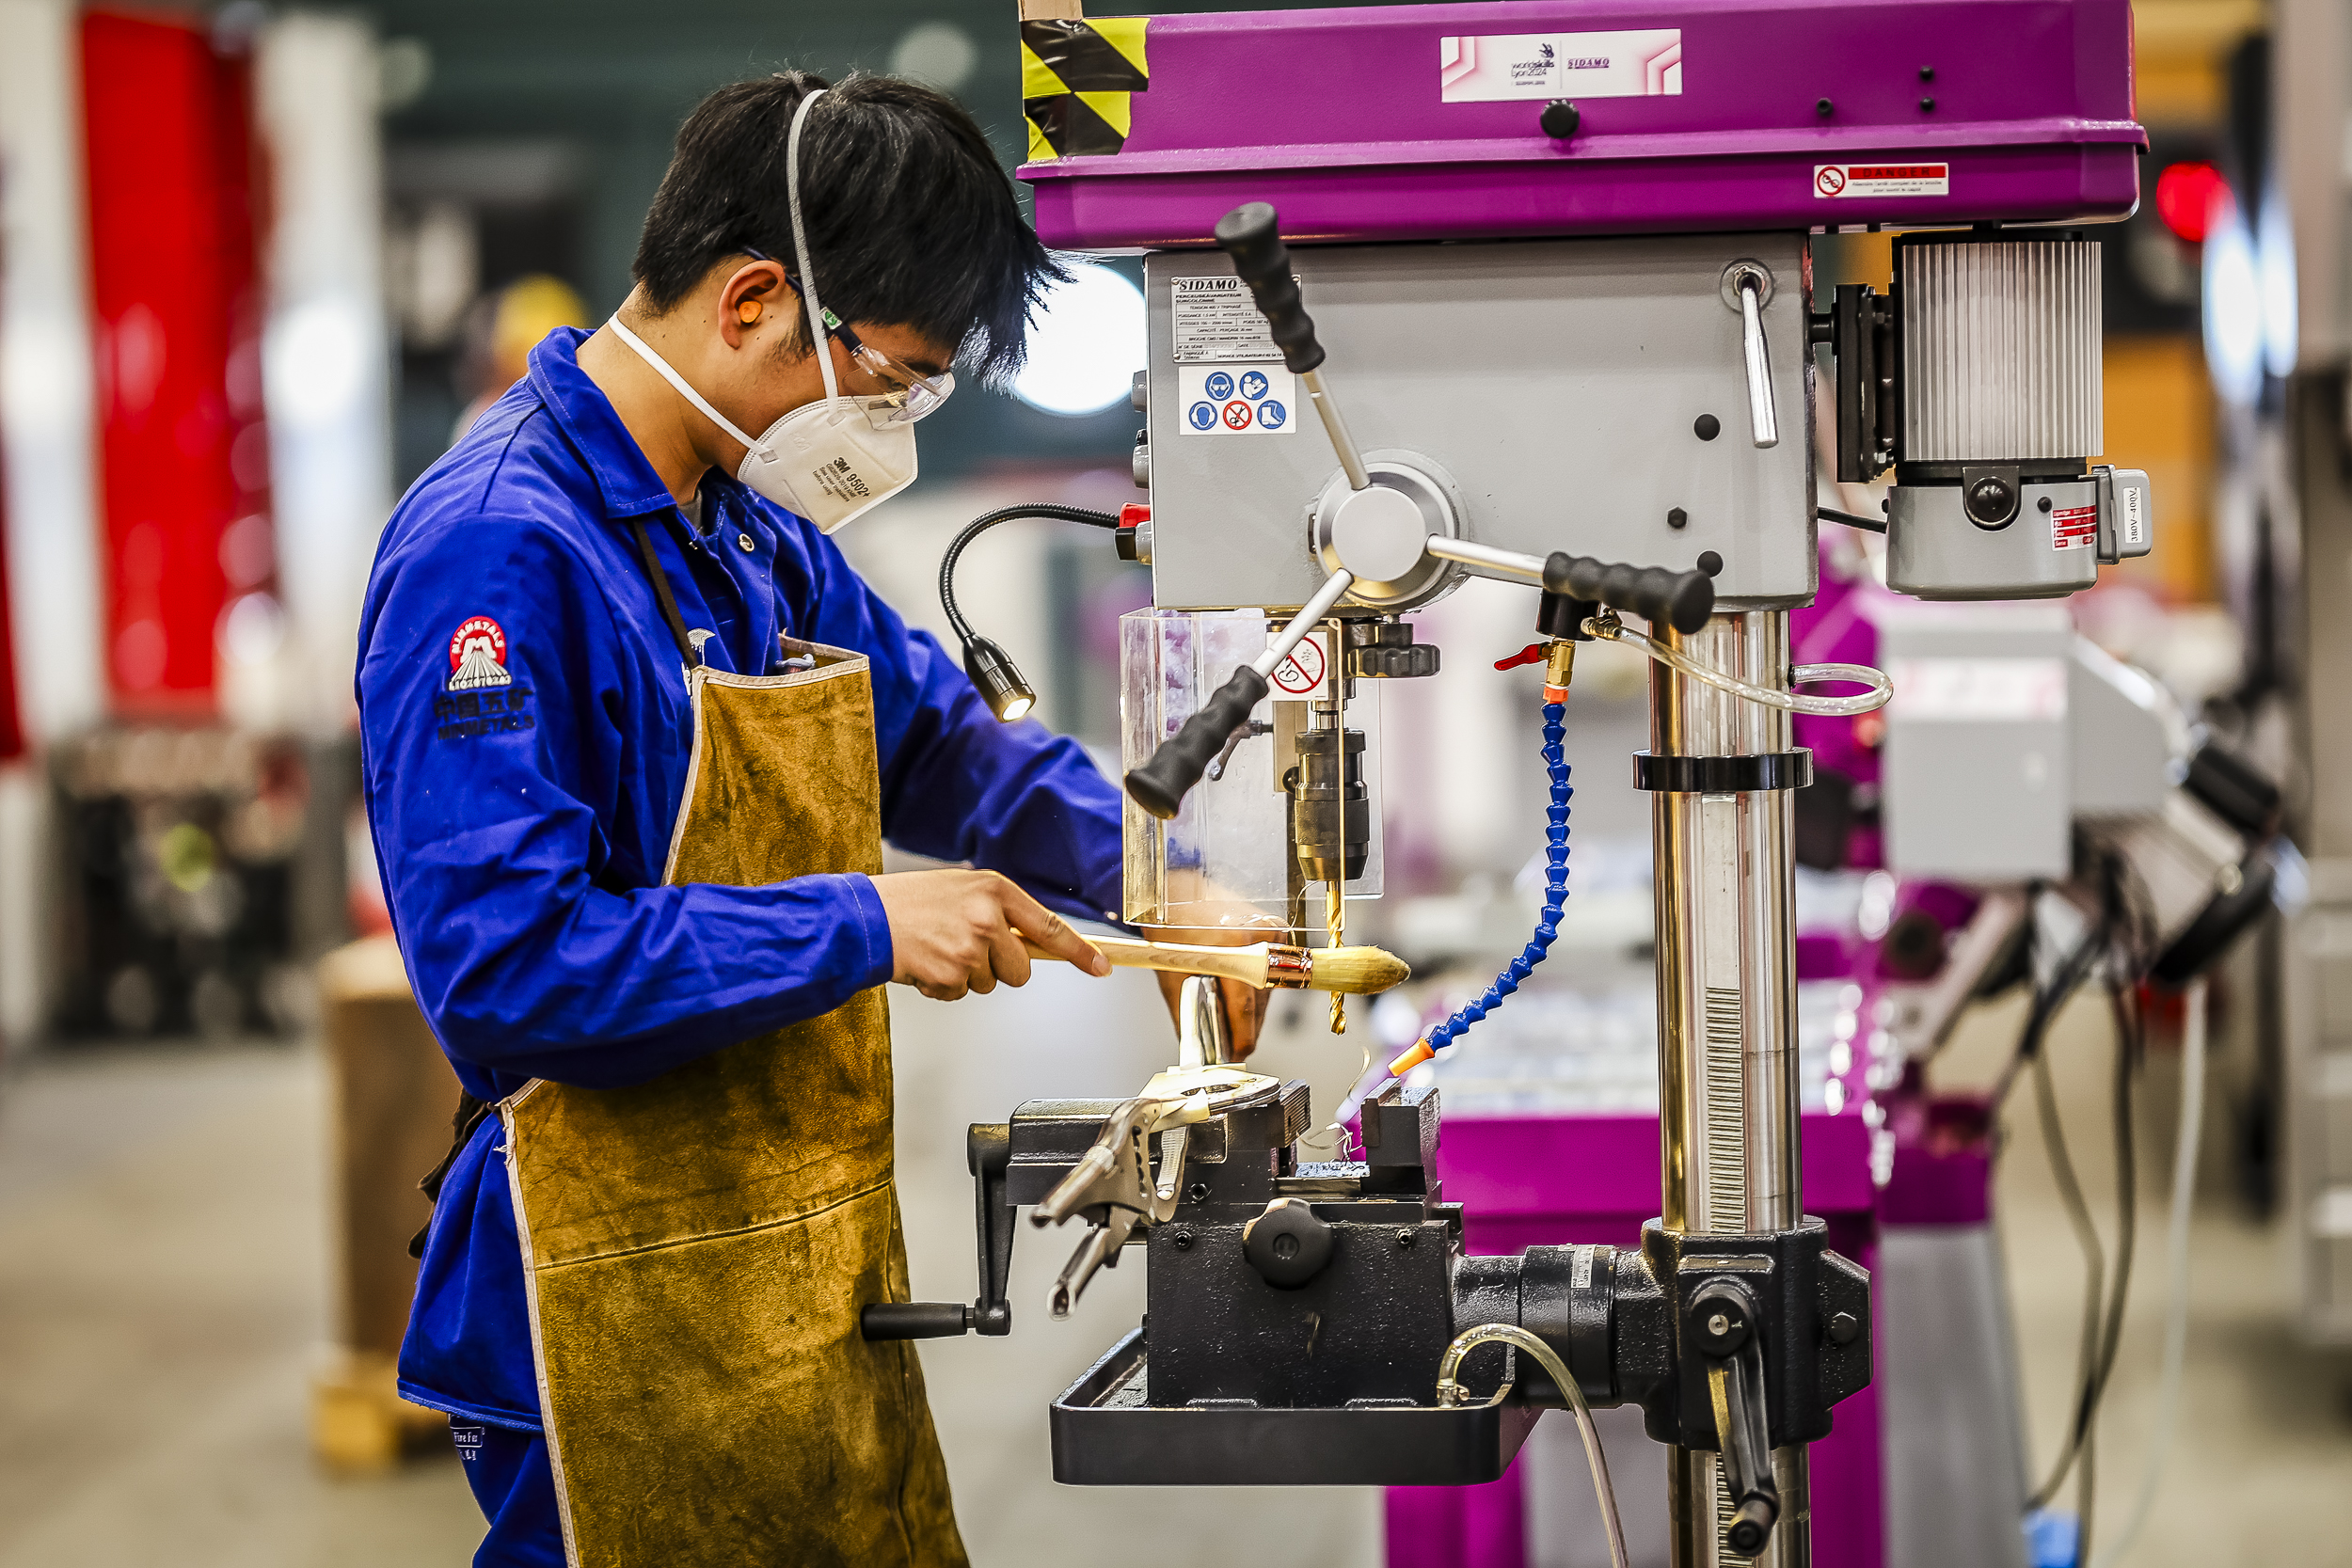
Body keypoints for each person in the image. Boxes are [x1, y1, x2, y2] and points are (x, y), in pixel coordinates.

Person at [358, 71, 1263, 1567]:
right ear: (757, 298)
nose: (892, 427)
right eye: (890, 380)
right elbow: (506, 966)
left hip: (781, 1248)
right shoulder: (500, 551)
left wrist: (1166, 880)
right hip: (592, 1276)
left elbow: (944, 749)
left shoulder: (746, 528)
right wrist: (866, 922)